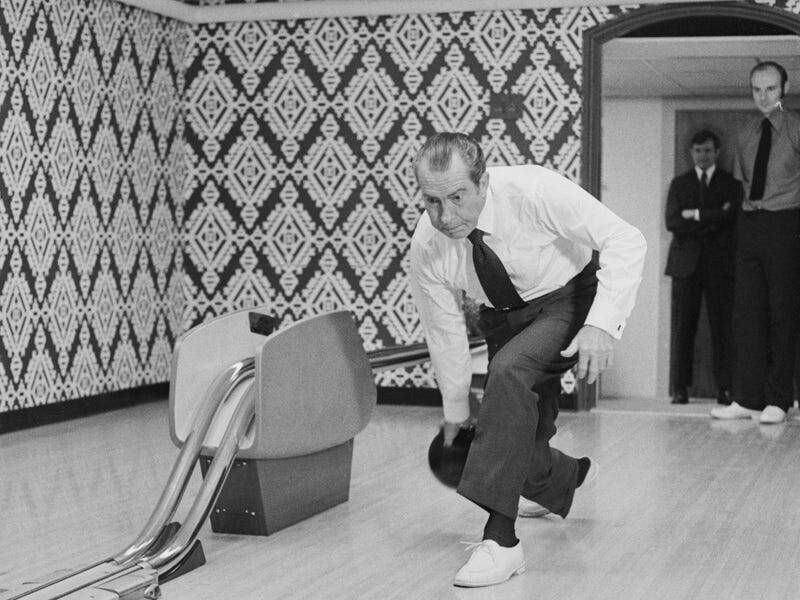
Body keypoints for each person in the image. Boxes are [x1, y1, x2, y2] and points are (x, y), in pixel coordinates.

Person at [408, 132, 646, 588]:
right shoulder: (427, 243)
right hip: (501, 316)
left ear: (483, 182)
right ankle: (562, 477)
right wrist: (456, 413)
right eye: (432, 201)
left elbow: (626, 239)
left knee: (508, 371)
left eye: (457, 197)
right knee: (519, 433)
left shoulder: (534, 190)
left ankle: (501, 541)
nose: (445, 216)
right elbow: (443, 329)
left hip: (567, 300)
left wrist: (602, 324)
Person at [711, 61, 800, 425]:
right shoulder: (745, 131)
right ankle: (747, 398)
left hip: (787, 222)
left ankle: (780, 399)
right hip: (750, 224)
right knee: (746, 313)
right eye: (757, 90)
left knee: (782, 313)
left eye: (771, 89)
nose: (763, 97)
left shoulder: (796, 128)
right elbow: (743, 183)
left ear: (785, 88)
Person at [665, 130, 741, 405]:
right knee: (684, 327)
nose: (703, 155)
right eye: (698, 151)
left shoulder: (730, 184)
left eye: (708, 150)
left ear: (717, 152)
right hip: (686, 266)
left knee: (722, 328)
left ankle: (725, 388)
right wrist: (713, 219)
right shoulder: (680, 184)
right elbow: (673, 222)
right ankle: (680, 388)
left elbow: (732, 217)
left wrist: (695, 215)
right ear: (691, 153)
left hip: (720, 265)